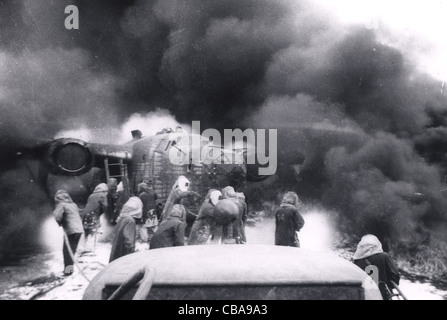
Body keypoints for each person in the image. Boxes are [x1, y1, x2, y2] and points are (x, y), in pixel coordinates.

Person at [353, 234, 401, 300]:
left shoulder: (356, 261)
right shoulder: (384, 256)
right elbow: (395, 277)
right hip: (381, 295)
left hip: (364, 296)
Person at [52, 190, 84, 276]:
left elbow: (57, 216)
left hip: (71, 230)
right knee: (72, 250)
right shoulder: (73, 205)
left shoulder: (61, 205)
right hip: (79, 230)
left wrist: (61, 223)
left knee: (67, 251)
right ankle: (70, 270)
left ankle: (68, 272)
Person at [109, 197, 143, 263]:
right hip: (123, 256)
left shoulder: (122, 218)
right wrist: (132, 253)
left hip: (116, 254)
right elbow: (129, 241)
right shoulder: (130, 221)